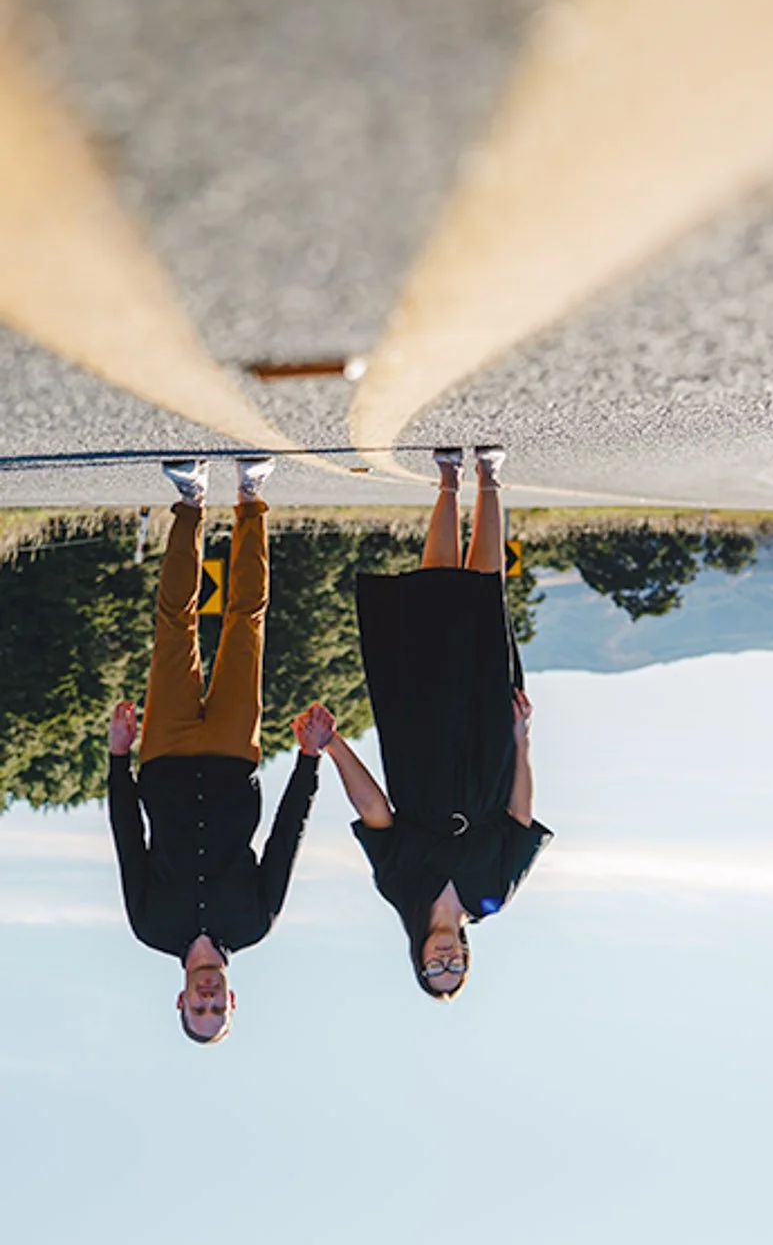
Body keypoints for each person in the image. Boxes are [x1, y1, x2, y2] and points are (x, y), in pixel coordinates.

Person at [107, 456, 329, 1041]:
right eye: (218, 1010)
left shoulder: (151, 927)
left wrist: (118, 759)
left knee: (174, 625)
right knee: (245, 623)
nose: (207, 1002)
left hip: (163, 757)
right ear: (232, 998)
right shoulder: (255, 923)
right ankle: (252, 498)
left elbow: (128, 840)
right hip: (235, 757)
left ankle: (190, 503)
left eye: (196, 1010)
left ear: (179, 999)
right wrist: (309, 761)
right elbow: (285, 840)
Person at [317, 446, 549, 995]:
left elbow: (373, 810)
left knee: (432, 601)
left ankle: (447, 480)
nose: (445, 960)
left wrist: (334, 746)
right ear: (466, 960)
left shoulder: (399, 887)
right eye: (455, 969)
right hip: (490, 750)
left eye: (433, 969)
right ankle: (490, 477)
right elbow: (521, 816)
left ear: (418, 958)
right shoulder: (493, 895)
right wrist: (521, 740)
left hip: (418, 745)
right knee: (483, 604)